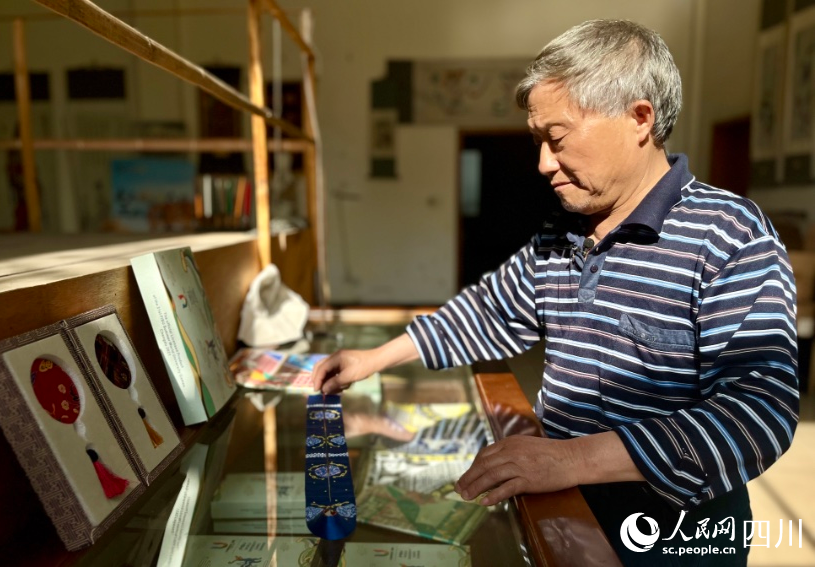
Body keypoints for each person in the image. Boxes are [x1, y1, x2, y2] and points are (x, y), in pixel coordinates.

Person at [311, 19, 799, 566]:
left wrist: (572, 460)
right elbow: (489, 310)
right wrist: (374, 356)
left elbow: (759, 414)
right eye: (537, 141)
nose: (543, 163)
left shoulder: (728, 234)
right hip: (567, 506)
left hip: (675, 531)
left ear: (640, 118)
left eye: (558, 138)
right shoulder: (562, 233)